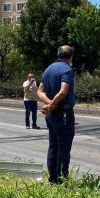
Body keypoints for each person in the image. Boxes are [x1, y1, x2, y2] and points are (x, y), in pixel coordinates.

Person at [39, 45, 76, 184]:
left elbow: (39, 91)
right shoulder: (67, 69)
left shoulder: (48, 69)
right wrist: (52, 105)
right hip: (63, 113)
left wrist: (49, 104)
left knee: (53, 146)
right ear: (71, 57)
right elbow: (63, 91)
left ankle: (52, 178)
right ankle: (61, 178)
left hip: (51, 115)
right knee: (64, 147)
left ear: (58, 54)